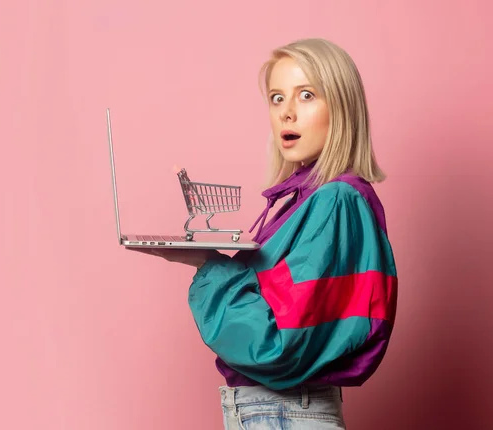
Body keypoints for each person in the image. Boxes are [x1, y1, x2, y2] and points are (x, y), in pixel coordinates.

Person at [129, 38, 398, 430]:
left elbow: (278, 344)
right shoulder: (307, 202)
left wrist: (211, 267)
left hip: (283, 414)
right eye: (276, 98)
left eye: (306, 95)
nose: (287, 113)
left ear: (341, 107)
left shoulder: (335, 201)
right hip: (277, 413)